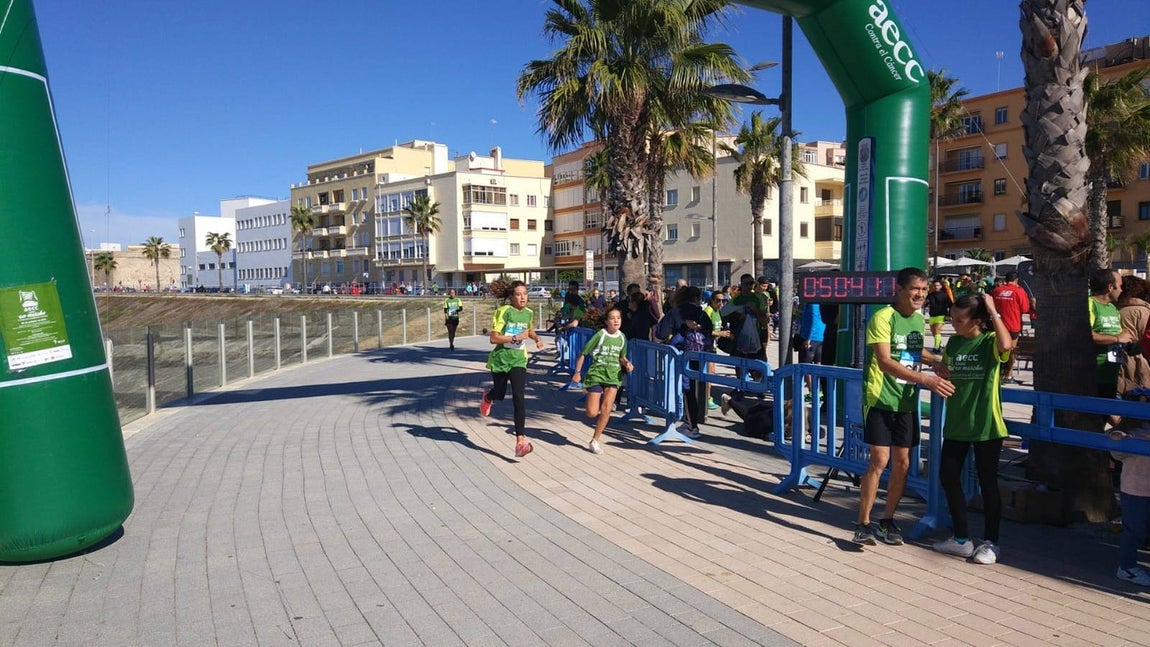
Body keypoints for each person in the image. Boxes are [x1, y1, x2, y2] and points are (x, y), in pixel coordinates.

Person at [853, 267, 955, 547]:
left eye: (923, 289)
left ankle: (887, 521)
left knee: (904, 463)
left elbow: (912, 349)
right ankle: (863, 523)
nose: (920, 295)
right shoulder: (882, 317)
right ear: (899, 289)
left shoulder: (918, 319)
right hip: (880, 398)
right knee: (879, 460)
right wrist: (926, 379)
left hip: (906, 401)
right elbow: (885, 360)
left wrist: (935, 362)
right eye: (914, 289)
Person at [932, 293, 1012, 565]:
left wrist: (993, 309)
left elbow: (1006, 344)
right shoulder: (954, 342)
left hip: (986, 424)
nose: (953, 324)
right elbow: (948, 369)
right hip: (957, 422)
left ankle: (991, 543)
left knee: (988, 482)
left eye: (959, 320)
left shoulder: (990, 341)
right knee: (948, 476)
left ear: (977, 321)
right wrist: (940, 370)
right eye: (951, 318)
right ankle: (961, 539)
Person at [480, 280, 546, 458]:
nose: (523, 297)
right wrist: (515, 338)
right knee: (500, 394)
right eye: (518, 294)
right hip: (501, 359)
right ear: (511, 296)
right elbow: (494, 338)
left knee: (519, 397)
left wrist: (536, 338)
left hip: (518, 360)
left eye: (525, 293)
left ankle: (520, 442)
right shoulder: (504, 311)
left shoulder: (529, 313)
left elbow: (529, 330)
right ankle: (488, 396)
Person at [572, 307, 633, 454]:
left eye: (618, 318)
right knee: (592, 413)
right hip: (597, 375)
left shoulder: (622, 337)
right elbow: (583, 353)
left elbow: (621, 356)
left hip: (613, 376)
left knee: (606, 409)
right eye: (612, 318)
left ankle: (595, 441)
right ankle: (591, 396)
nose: (616, 321)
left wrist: (627, 363)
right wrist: (577, 372)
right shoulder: (600, 335)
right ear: (606, 321)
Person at [1112, 418, 1150, 586]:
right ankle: (1126, 567)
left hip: (1137, 490)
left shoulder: (1134, 434)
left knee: (1136, 530)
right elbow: (1116, 453)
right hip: (1135, 491)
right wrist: (1118, 439)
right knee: (1134, 530)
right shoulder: (1134, 434)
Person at [1091, 268, 1135, 400]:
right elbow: (1086, 334)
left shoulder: (1113, 308)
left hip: (1111, 374)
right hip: (1093, 374)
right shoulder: (1091, 304)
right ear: (1110, 287)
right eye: (1120, 286)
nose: (1121, 290)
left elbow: (1119, 335)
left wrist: (1129, 343)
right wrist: (1117, 338)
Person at [990, 271, 1031, 385]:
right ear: (1016, 280)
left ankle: (997, 373)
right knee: (1011, 351)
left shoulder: (996, 290)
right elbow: (1025, 309)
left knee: (997, 350)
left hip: (997, 325)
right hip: (1013, 325)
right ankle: (1008, 375)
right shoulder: (1019, 291)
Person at [1117, 276, 1150, 397]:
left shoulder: (1116, 309)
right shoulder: (1142, 311)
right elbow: (1146, 339)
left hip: (1120, 361)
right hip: (1139, 363)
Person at [924, 279, 953, 353]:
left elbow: (950, 305)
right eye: (934, 285)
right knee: (934, 333)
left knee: (937, 331)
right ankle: (940, 345)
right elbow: (925, 304)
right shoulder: (930, 295)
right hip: (932, 316)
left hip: (941, 315)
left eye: (938, 285)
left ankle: (936, 348)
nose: (936, 287)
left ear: (941, 286)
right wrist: (925, 302)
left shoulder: (945, 295)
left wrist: (949, 315)